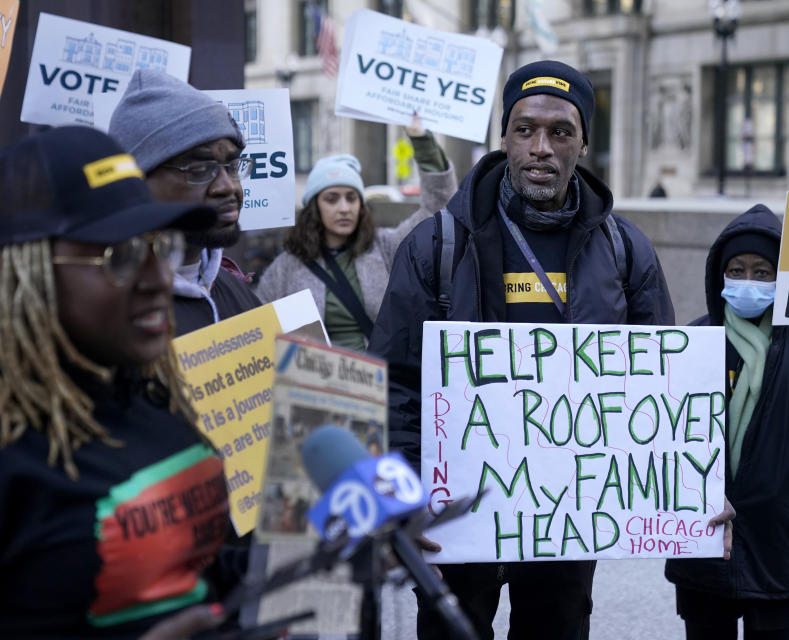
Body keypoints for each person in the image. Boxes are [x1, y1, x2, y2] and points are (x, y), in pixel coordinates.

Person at [369, 60, 681, 640]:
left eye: (560, 131)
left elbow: (664, 391)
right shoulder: (436, 243)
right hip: (456, 511)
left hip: (568, 514)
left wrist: (692, 492)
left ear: (583, 142)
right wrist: (406, 502)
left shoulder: (625, 250)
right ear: (504, 138)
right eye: (525, 129)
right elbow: (394, 386)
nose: (541, 147)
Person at [0, 126, 231, 638]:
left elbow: (204, 573)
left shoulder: (156, 402)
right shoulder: (16, 457)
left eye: (160, 247)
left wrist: (323, 552)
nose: (157, 279)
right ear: (27, 276)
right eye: (119, 255)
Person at [664, 204, 789, 640]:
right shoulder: (694, 340)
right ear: (719, 275)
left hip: (778, 543)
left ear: (784, 278)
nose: (748, 282)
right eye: (736, 270)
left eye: (762, 272)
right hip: (706, 537)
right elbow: (665, 440)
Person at [254, 115, 458, 350]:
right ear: (314, 207)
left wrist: (421, 140)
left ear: (361, 206)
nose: (344, 208)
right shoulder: (286, 268)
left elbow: (439, 203)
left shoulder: (386, 247)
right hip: (314, 382)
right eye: (332, 199)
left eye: (351, 198)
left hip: (379, 379)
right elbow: (258, 332)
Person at [109, 69, 262, 336]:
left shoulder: (239, 294)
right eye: (201, 169)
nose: (227, 186)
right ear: (138, 183)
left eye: (233, 166)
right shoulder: (113, 314)